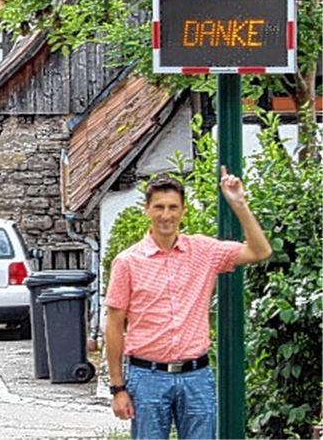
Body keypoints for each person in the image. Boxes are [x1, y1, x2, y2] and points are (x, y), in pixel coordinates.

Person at [105, 168, 272, 439]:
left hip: (196, 375)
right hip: (147, 376)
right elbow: (113, 326)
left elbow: (260, 251)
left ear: (183, 211)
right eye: (159, 207)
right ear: (147, 209)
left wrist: (239, 204)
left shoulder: (203, 251)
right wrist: (118, 388)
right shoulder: (128, 262)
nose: (166, 215)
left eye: (173, 207)